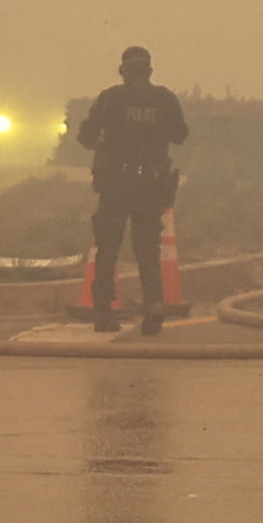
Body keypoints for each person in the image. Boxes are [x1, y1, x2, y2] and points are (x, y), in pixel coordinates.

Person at [72, 45, 190, 334]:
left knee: (108, 248)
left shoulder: (111, 98)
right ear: (149, 71)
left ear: (123, 71)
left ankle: (103, 313)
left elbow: (85, 138)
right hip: (150, 185)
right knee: (148, 248)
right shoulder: (164, 99)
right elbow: (180, 135)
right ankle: (153, 308)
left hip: (116, 184)